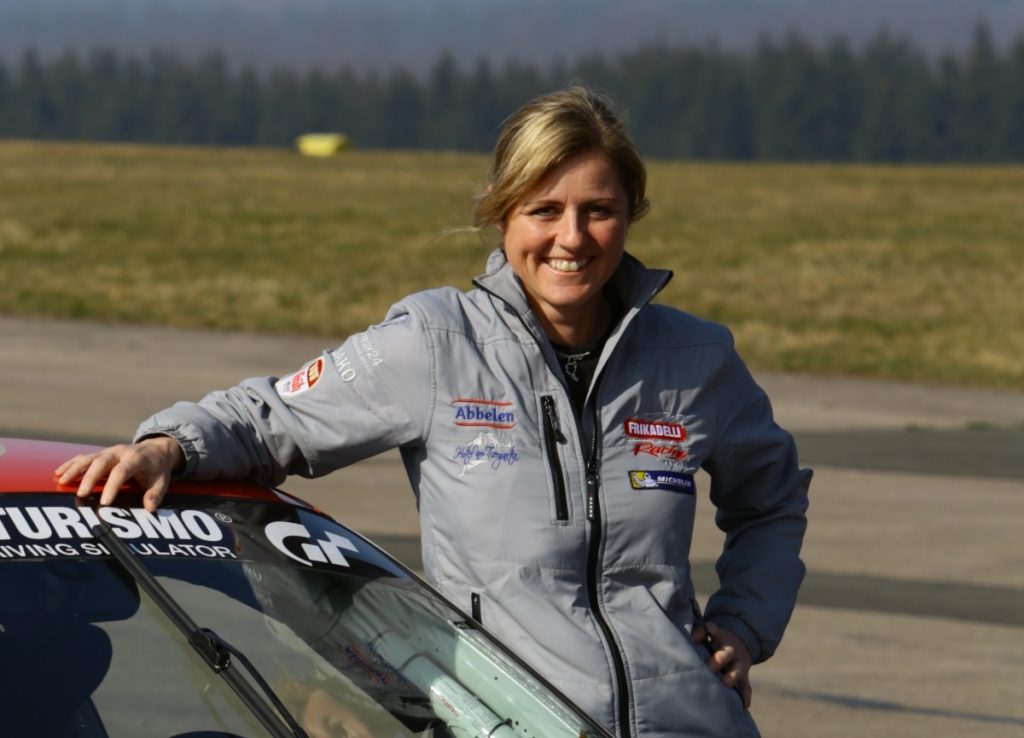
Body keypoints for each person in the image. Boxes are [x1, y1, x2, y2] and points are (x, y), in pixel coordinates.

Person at [57, 86, 811, 738]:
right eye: (545, 210)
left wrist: (744, 624)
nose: (572, 238)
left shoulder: (696, 358)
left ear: (630, 216)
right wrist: (168, 446)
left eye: (599, 211)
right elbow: (266, 420)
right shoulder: (435, 343)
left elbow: (772, 499)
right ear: (502, 215)